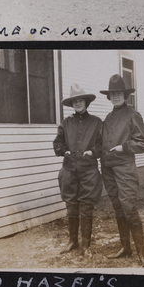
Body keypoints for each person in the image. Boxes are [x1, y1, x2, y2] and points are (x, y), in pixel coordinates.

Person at [99, 74, 144, 267]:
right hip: (108, 169)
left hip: (125, 169)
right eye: (113, 94)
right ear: (109, 96)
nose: (116, 97)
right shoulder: (108, 117)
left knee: (129, 208)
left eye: (119, 93)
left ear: (125, 95)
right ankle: (125, 247)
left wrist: (124, 147)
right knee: (118, 208)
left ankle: (142, 254)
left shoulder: (132, 115)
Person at [53, 84, 103, 258]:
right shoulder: (66, 123)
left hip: (88, 171)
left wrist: (93, 152)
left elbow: (102, 145)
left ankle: (86, 246)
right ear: (72, 104)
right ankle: (73, 242)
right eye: (75, 101)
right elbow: (57, 143)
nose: (78, 103)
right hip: (69, 171)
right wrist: (64, 151)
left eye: (80, 100)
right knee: (71, 206)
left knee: (86, 207)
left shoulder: (97, 122)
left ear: (86, 102)